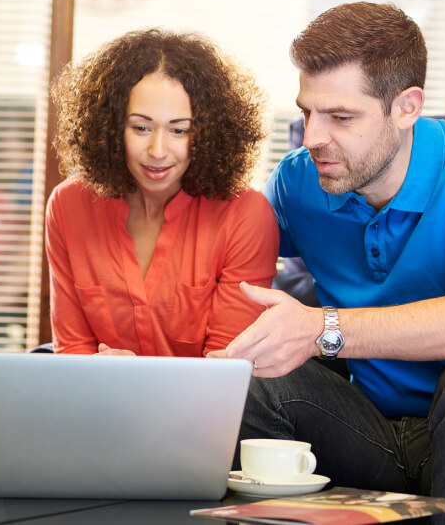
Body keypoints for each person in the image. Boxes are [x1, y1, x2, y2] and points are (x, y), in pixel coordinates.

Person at [209, 2, 445, 524]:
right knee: (251, 380)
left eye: (341, 117)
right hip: (373, 429)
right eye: (307, 112)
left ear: (406, 107)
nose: (311, 138)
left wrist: (320, 328)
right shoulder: (299, 181)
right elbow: (214, 260)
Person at [46, 29, 279, 356]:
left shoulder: (246, 214)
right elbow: (73, 350)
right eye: (141, 127)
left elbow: (228, 368)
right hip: (96, 402)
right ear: (112, 128)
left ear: (208, 133)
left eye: (179, 130)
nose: (157, 150)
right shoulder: (69, 205)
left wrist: (137, 381)